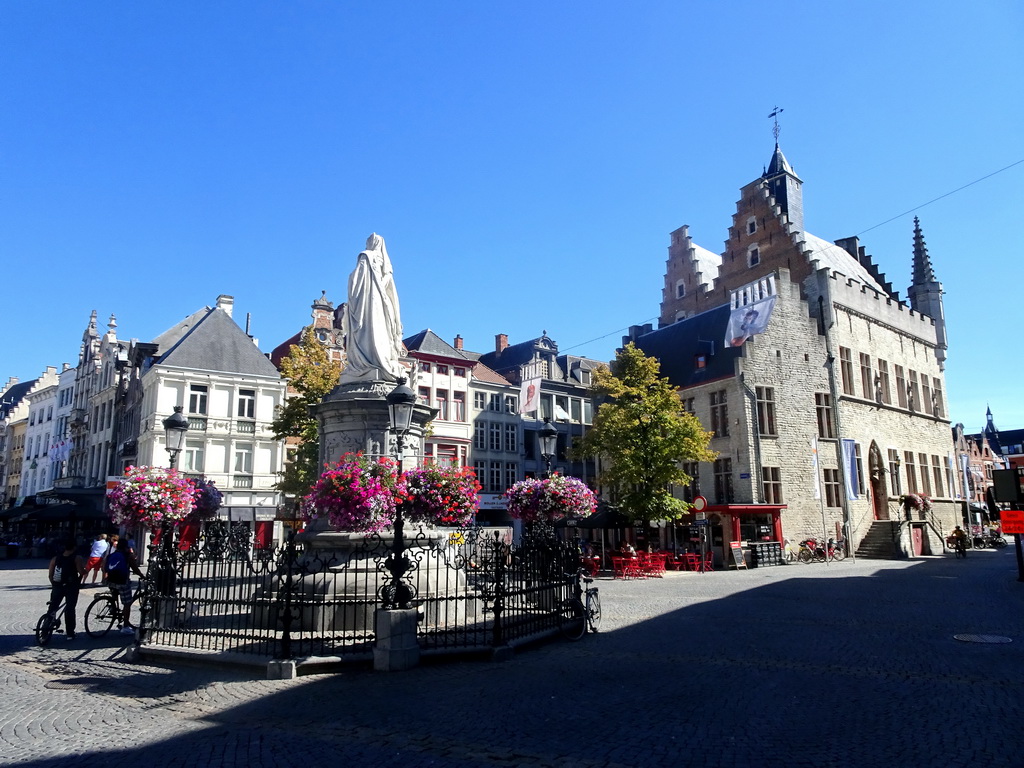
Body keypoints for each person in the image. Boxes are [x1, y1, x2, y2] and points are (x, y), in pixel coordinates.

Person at [340, 233, 406, 383]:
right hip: (381, 302)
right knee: (381, 331)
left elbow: (356, 279)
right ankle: (379, 359)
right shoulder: (385, 264)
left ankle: (367, 361)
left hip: (368, 300)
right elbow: (388, 284)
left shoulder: (366, 256)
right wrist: (380, 287)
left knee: (367, 329)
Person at [103, 538, 145, 634]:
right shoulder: (127, 556)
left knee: (114, 593)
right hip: (122, 582)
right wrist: (142, 576)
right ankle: (125, 626)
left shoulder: (112, 555)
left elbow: (104, 565)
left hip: (111, 581)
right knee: (127, 603)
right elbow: (135, 568)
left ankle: (113, 607)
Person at [47, 537, 86, 640]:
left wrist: (54, 585)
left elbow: (50, 575)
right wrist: (85, 571)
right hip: (71, 586)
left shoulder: (55, 559)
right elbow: (81, 572)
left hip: (57, 586)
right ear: (74, 547)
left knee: (52, 607)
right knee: (70, 609)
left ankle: (45, 629)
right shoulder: (77, 558)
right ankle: (70, 633)